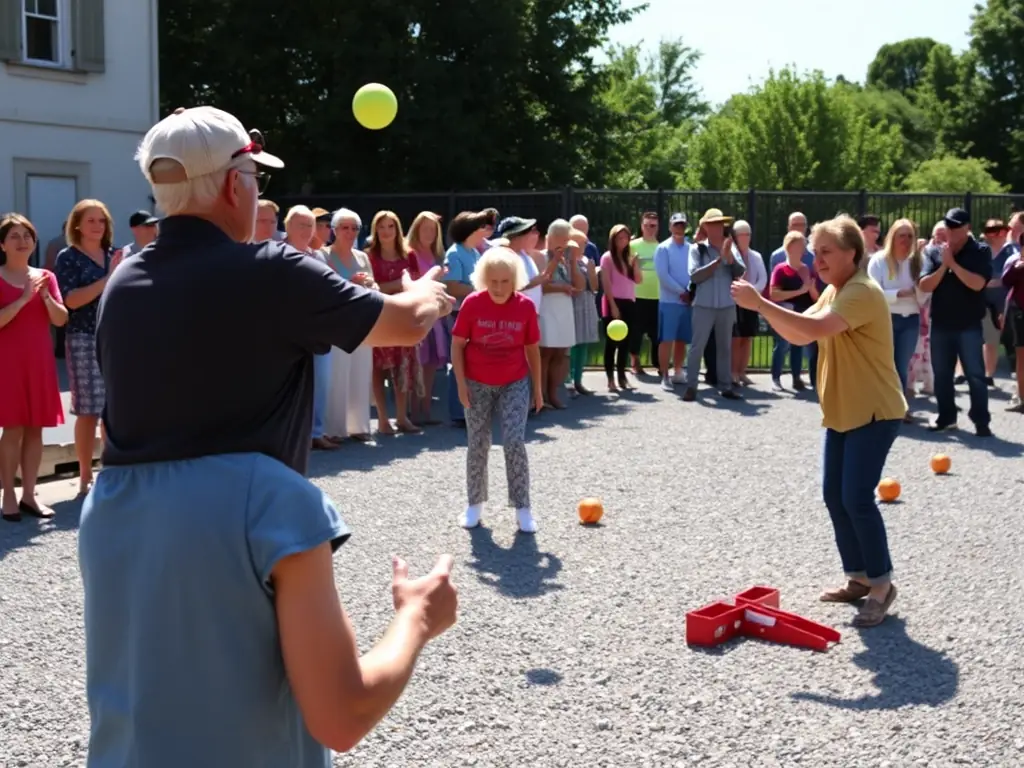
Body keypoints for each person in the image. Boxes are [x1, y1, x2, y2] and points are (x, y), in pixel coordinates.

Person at [81, 106, 458, 767]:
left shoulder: (123, 285)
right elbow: (400, 323)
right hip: (248, 534)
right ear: (234, 184)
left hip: (132, 535)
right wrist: (418, 617)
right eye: (253, 175)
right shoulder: (271, 271)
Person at [731, 214, 907, 628]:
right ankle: (859, 577)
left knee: (857, 499)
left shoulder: (861, 291)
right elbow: (799, 334)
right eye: (816, 252)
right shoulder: (834, 290)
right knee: (835, 496)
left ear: (852, 252)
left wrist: (760, 304)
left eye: (827, 251)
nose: (819, 258)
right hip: (844, 412)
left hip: (874, 411)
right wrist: (765, 309)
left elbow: (816, 327)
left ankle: (881, 586)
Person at [451, 246, 543, 533]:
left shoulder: (525, 306)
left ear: (514, 280)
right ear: (483, 280)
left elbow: (532, 349)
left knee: (514, 440)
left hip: (514, 381)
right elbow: (457, 345)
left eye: (505, 281)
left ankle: (523, 507)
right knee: (478, 442)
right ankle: (474, 504)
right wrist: (460, 383)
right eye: (493, 282)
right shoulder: (472, 304)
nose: (499, 288)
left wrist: (538, 389)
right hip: (477, 382)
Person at [0, 214, 68, 522]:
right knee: (12, 428)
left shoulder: (46, 277)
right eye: (14, 235)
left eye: (27, 235)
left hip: (38, 361)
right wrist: (24, 297)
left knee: (35, 429)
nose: (22, 240)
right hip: (8, 362)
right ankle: (9, 496)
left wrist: (43, 296)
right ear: (2, 244)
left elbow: (60, 319)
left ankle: (30, 494)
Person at [55, 199, 122, 494]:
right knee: (88, 409)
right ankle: (85, 476)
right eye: (91, 220)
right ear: (77, 225)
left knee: (115, 408)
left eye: (102, 220)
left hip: (118, 336)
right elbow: (70, 300)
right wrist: (109, 278)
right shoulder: (68, 257)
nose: (98, 226)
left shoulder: (115, 254)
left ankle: (111, 469)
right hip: (83, 337)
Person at [918, 208, 993, 437]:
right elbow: (924, 286)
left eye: (956, 226)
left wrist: (954, 266)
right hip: (941, 322)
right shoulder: (935, 252)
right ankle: (946, 417)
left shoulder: (980, 251)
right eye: (948, 226)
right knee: (942, 374)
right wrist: (944, 265)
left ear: (967, 228)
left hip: (969, 324)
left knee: (975, 375)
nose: (951, 231)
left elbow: (977, 284)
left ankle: (981, 421)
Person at [683, 209, 745, 402]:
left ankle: (725, 386)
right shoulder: (697, 249)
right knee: (697, 346)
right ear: (705, 227)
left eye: (720, 224)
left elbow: (740, 271)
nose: (718, 228)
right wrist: (719, 260)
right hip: (703, 304)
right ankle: (691, 386)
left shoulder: (731, 247)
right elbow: (695, 275)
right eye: (713, 224)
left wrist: (729, 257)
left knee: (725, 347)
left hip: (726, 305)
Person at [866, 218, 922, 421]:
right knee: (883, 363)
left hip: (910, 319)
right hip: (886, 318)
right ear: (892, 237)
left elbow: (923, 291)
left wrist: (913, 294)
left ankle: (900, 408)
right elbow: (874, 292)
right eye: (901, 236)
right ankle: (878, 406)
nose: (905, 240)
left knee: (901, 364)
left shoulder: (918, 261)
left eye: (910, 236)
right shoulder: (879, 260)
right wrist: (899, 293)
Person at [600, 224, 643, 391]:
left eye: (626, 237)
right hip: (613, 302)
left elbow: (638, 280)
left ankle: (622, 377)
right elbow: (607, 283)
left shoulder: (629, 257)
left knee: (625, 343)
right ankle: (610, 380)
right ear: (613, 239)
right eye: (620, 238)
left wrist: (636, 264)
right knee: (611, 343)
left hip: (629, 302)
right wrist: (613, 306)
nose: (623, 241)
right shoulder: (607, 258)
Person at [653, 212, 692, 391]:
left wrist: (690, 291)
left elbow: (694, 271)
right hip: (669, 301)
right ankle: (665, 375)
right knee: (666, 339)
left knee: (682, 339)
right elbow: (663, 275)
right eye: (676, 224)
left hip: (687, 301)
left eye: (682, 225)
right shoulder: (663, 248)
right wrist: (681, 291)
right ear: (670, 227)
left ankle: (678, 372)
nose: (679, 227)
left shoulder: (691, 248)